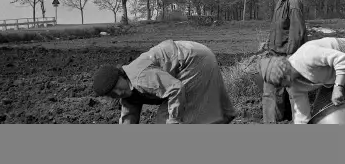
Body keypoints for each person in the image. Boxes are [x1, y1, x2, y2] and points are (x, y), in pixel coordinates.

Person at [93, 39, 237, 124]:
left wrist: (173, 121)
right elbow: (128, 118)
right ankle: (223, 117)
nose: (118, 93)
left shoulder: (140, 78)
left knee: (165, 119)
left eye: (117, 87)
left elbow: (175, 88)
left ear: (121, 76)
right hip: (196, 53)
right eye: (113, 95)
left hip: (193, 58)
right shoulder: (127, 95)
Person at [260, 37, 345, 124]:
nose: (284, 87)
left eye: (281, 84)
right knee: (322, 113)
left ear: (285, 76)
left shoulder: (307, 56)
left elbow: (343, 60)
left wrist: (338, 88)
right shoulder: (293, 86)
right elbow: (301, 115)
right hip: (331, 76)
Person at [259, 0, 308, 123]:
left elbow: (297, 30)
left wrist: (291, 55)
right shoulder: (280, 1)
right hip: (274, 54)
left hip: (287, 55)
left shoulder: (293, 1)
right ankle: (273, 122)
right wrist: (267, 44)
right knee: (271, 92)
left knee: (294, 93)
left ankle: (298, 124)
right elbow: (278, 27)